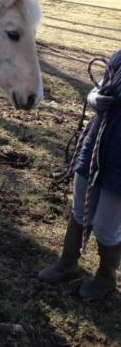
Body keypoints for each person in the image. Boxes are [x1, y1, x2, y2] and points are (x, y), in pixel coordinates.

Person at [39, 50, 121, 300]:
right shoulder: (119, 58)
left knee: (107, 228)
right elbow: (100, 88)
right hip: (95, 145)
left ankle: (106, 276)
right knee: (79, 211)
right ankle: (67, 263)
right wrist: (94, 97)